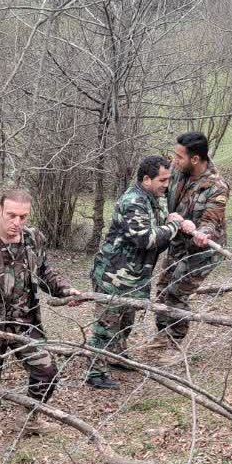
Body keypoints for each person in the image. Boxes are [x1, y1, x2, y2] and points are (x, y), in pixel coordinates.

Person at [0, 189, 81, 449]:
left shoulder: (33, 239)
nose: (17, 223)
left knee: (47, 371)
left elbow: (45, 271)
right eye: (12, 215)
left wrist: (64, 289)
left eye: (23, 216)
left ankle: (31, 417)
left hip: (25, 322)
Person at [85, 156, 187, 390]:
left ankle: (116, 357)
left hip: (134, 275)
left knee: (125, 322)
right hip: (114, 275)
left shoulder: (152, 200)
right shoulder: (134, 201)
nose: (166, 184)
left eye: (168, 179)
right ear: (146, 179)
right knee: (106, 325)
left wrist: (169, 225)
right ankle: (95, 372)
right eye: (162, 180)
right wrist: (173, 225)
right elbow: (145, 239)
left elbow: (156, 237)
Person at [155, 131, 230, 342]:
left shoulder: (217, 187)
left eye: (179, 157)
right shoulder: (176, 170)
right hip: (178, 243)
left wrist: (202, 235)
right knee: (162, 289)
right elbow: (161, 192)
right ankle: (161, 338)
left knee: (177, 293)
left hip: (202, 251)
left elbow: (211, 221)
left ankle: (174, 343)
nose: (174, 161)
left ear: (195, 159)